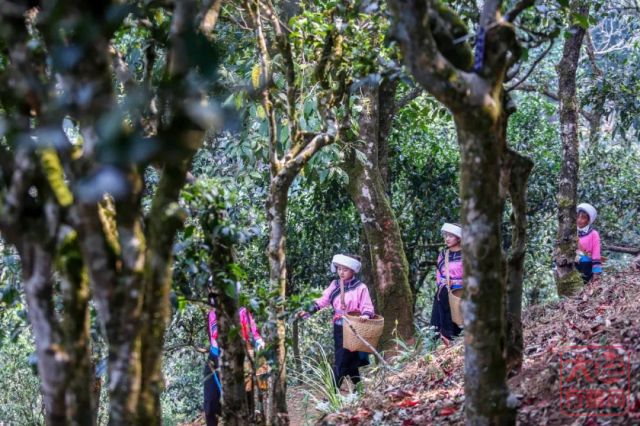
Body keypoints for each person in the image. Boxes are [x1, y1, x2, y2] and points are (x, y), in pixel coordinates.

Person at [298, 254, 375, 389]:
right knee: (345, 358)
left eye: (345, 270)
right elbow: (322, 300)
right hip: (339, 327)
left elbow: (367, 306)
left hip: (355, 327)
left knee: (345, 360)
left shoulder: (360, 287)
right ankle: (359, 389)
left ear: (353, 271)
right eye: (339, 269)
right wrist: (309, 309)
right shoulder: (334, 285)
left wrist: (366, 316)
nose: (341, 272)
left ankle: (333, 394)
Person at [204, 293, 265, 426]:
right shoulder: (212, 314)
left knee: (244, 404)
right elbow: (215, 335)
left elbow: (253, 333)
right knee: (210, 406)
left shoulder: (242, 311)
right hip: (214, 360)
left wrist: (259, 343)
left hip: (238, 360)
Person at [430, 223, 463, 345]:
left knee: (459, 323)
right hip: (444, 294)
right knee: (439, 325)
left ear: (458, 237)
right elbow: (439, 274)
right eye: (445, 236)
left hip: (460, 294)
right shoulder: (443, 254)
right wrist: (442, 286)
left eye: (451, 236)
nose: (447, 239)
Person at [576, 203, 602, 284]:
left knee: (585, 260)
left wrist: (596, 272)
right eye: (578, 217)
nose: (579, 220)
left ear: (588, 220)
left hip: (586, 266)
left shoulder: (594, 234)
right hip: (572, 263)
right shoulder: (571, 232)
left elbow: (596, 254)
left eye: (583, 218)